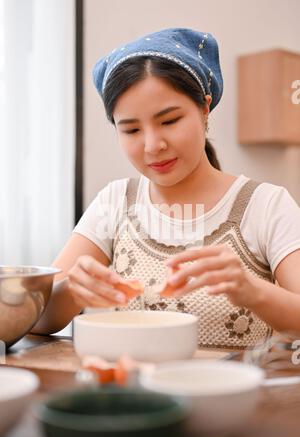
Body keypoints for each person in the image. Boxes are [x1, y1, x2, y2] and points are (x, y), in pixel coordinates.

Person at [32, 28, 300, 348]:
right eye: (131, 129)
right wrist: (74, 289)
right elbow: (37, 319)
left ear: (204, 108)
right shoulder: (115, 202)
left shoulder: (265, 205)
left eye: (170, 121)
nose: (152, 145)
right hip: (131, 395)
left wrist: (252, 290)